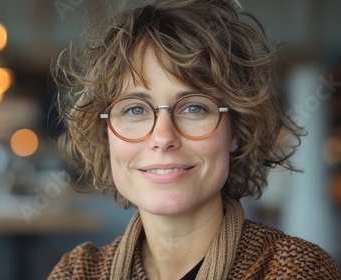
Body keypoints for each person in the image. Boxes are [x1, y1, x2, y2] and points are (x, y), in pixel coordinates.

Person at [48, 0, 341, 279]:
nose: (163, 137)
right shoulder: (78, 272)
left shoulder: (295, 270)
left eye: (193, 107)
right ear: (106, 134)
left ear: (236, 132)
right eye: (135, 109)